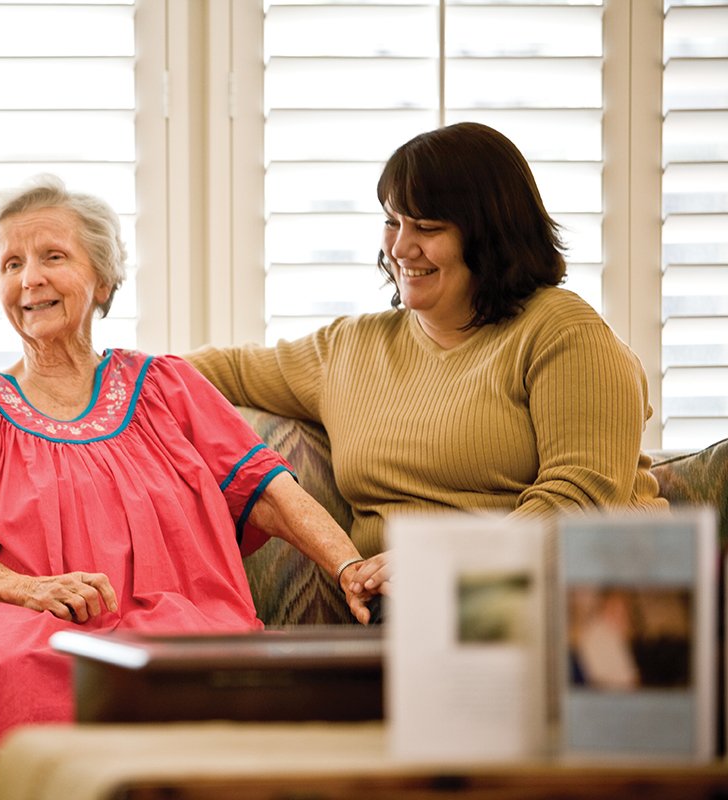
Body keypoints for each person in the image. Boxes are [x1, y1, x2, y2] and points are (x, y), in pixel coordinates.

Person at [0, 173, 373, 747]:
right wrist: (30, 592)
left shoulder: (167, 387)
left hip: (171, 625)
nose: (30, 278)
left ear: (103, 280)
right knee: (34, 664)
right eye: (11, 264)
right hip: (13, 622)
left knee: (175, 669)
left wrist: (347, 567)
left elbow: (272, 493)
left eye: (52, 256)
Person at [185, 122, 668, 599]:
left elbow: (580, 502)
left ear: (489, 234)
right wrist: (109, 370)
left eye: (427, 227)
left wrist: (441, 562)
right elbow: (215, 372)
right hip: (409, 606)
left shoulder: (563, 332)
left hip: (564, 594)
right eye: (392, 221)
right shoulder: (350, 348)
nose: (399, 248)